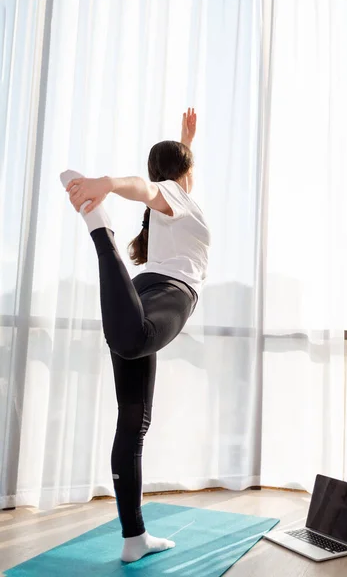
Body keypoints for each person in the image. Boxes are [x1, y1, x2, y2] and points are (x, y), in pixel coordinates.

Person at [60, 108, 210, 563]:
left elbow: (165, 180)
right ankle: (100, 232)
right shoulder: (174, 197)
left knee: (133, 419)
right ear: (184, 174)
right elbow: (149, 186)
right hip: (168, 293)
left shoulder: (172, 206)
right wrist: (105, 184)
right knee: (134, 341)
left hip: (137, 290)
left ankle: (134, 537)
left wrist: (186, 140)